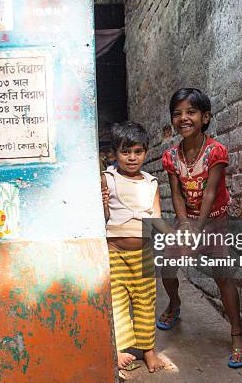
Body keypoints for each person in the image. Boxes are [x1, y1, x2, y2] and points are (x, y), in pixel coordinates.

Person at [157, 88, 242, 368]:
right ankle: (174, 304)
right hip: (189, 217)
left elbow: (210, 194)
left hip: (214, 218)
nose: (183, 118)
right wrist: (185, 225)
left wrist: (199, 229)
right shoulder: (171, 157)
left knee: (223, 274)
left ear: (205, 117)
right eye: (177, 114)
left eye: (191, 112)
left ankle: (237, 333)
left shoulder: (215, 152)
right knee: (167, 263)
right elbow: (176, 194)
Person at [101, 122, 166, 374]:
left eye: (137, 151)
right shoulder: (108, 178)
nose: (131, 157)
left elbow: (157, 218)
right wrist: (104, 204)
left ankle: (148, 350)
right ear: (114, 154)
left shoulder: (151, 183)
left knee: (145, 301)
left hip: (144, 254)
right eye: (125, 151)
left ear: (146, 152)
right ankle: (121, 348)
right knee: (117, 301)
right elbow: (103, 217)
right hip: (115, 252)